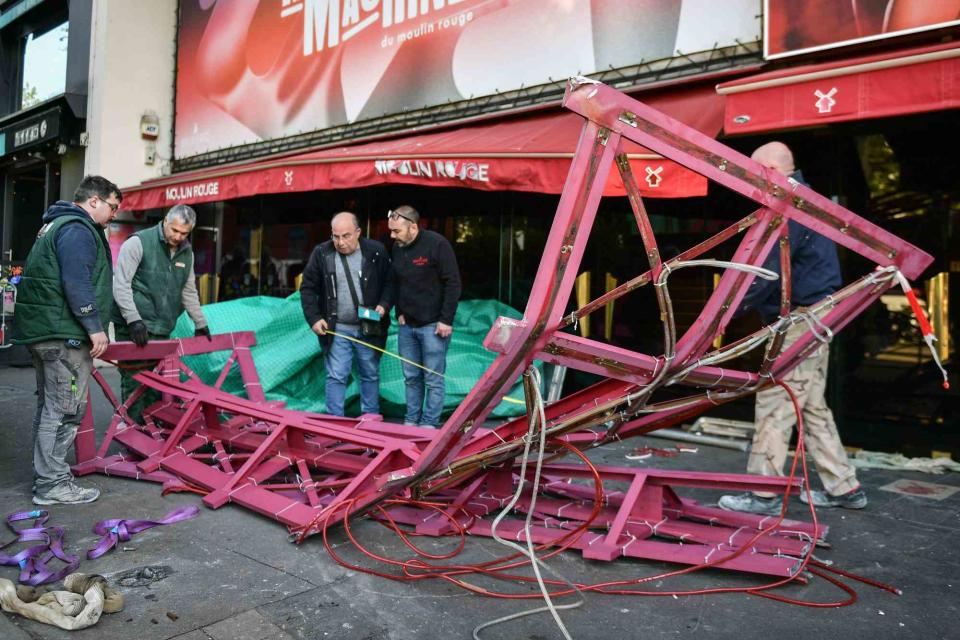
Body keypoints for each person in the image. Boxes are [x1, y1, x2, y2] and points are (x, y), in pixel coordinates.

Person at [719, 141, 867, 516]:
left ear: (770, 169)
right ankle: (844, 488)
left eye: (754, 173)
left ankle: (762, 493)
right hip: (818, 316)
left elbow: (765, 272)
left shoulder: (791, 207)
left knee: (774, 400)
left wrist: (725, 314)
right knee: (812, 405)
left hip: (803, 319)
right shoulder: (808, 202)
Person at [12, 175, 122, 505]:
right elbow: (77, 281)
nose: (114, 214)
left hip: (49, 332)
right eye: (113, 207)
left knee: (51, 407)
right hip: (65, 338)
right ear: (94, 202)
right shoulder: (77, 229)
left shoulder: (57, 224)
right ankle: (52, 484)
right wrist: (94, 326)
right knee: (65, 408)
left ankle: (48, 478)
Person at [112, 204, 210, 424]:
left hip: (162, 327)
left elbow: (188, 289)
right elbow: (121, 285)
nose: (178, 236)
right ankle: (133, 432)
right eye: (174, 230)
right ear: (165, 221)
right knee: (134, 381)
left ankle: (152, 434)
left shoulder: (187, 252)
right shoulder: (138, 243)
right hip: (133, 326)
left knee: (157, 384)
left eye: (184, 233)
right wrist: (133, 320)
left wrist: (200, 322)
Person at [300, 212, 393, 416]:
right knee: (336, 376)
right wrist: (314, 318)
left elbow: (390, 282)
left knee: (369, 374)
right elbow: (307, 288)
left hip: (369, 325)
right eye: (336, 236)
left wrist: (384, 305)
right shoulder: (322, 253)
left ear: (358, 232)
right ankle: (335, 426)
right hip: (337, 327)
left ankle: (370, 423)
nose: (340, 242)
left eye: (346, 236)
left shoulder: (376, 251)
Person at [387, 206, 461, 428]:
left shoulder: (437, 244)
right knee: (411, 377)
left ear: (413, 226)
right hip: (407, 326)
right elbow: (396, 282)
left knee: (433, 380)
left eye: (397, 231)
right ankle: (411, 421)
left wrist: (446, 319)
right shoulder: (397, 247)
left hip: (434, 326)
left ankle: (428, 424)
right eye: (391, 231)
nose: (392, 235)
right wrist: (399, 311)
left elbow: (453, 283)